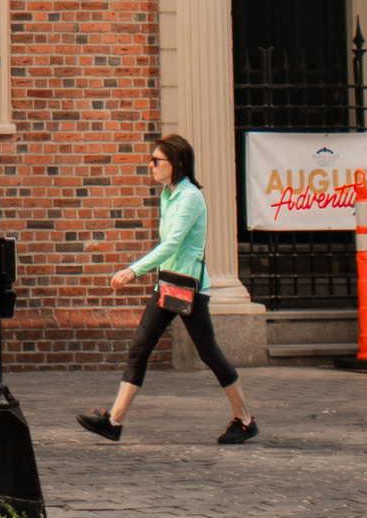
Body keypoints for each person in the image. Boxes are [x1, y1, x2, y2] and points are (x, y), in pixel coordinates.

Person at [78, 133, 253, 447]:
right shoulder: (168, 194)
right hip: (168, 285)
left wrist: (133, 270)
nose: (151, 165)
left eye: (157, 160)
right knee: (139, 349)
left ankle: (245, 420)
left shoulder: (190, 198)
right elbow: (170, 247)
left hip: (188, 289)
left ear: (178, 164)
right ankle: (114, 421)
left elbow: (172, 243)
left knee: (209, 353)